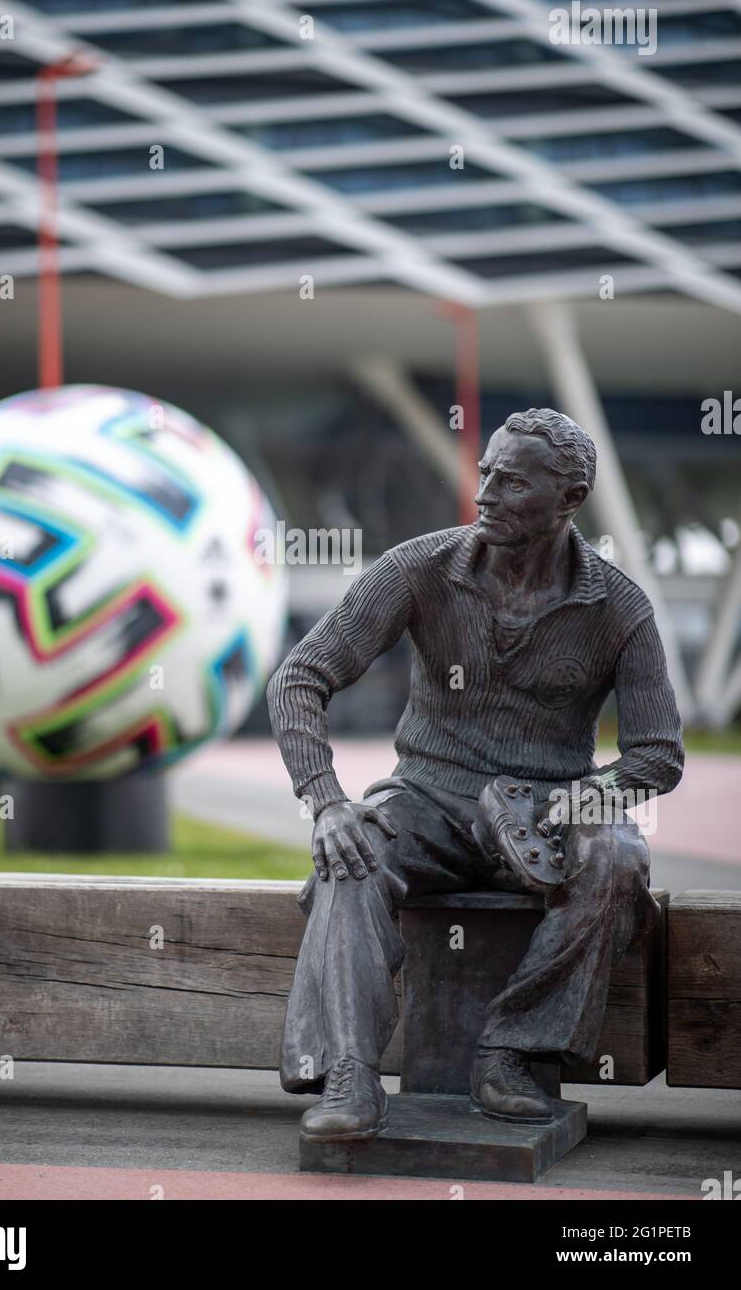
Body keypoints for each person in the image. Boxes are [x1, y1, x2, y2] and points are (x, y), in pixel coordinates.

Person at [267, 408, 683, 1139]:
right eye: (485, 472)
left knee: (617, 857)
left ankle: (514, 1054)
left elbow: (658, 756)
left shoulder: (621, 608)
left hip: (550, 814)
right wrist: (327, 801)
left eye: (512, 481)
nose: (485, 492)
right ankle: (350, 1076)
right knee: (351, 857)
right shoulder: (416, 569)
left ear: (570, 497)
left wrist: (585, 799)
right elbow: (299, 677)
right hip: (425, 798)